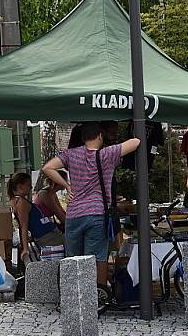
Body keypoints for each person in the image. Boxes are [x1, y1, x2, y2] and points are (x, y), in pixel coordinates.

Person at [42, 122, 140, 285]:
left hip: (74, 215)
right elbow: (135, 142)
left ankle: (74, 293)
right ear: (100, 136)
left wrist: (67, 186)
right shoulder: (107, 154)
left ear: (82, 138)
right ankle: (99, 295)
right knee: (97, 258)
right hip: (96, 214)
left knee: (73, 259)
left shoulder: (70, 154)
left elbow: (48, 167)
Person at [8, 173, 66, 265]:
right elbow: (24, 226)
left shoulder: (20, 201)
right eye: (28, 184)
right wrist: (25, 248)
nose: (31, 187)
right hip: (48, 238)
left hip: (49, 235)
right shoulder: (21, 202)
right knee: (75, 240)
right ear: (20, 186)